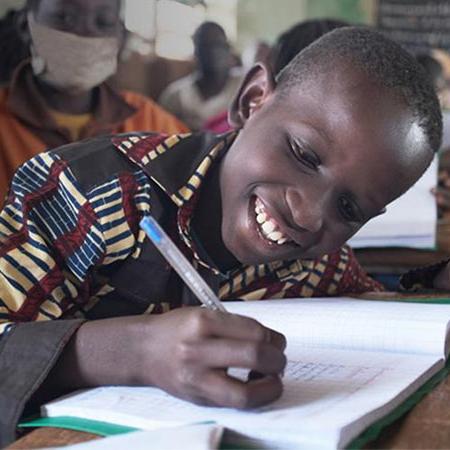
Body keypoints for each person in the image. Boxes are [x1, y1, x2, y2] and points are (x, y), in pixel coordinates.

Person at [0, 27, 447, 446]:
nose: (309, 216)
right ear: (252, 101)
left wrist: (431, 288)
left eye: (348, 208)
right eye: (304, 155)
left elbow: (370, 315)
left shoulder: (318, 263)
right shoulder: (84, 191)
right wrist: (137, 351)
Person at [0, 0, 188, 204]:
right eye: (63, 17)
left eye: (103, 22)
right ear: (25, 25)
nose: (84, 33)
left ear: (120, 36)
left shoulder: (151, 122)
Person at [159, 21, 243, 130]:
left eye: (218, 45)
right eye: (205, 46)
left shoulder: (244, 85)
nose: (213, 52)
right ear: (196, 51)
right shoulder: (175, 96)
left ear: (228, 49)